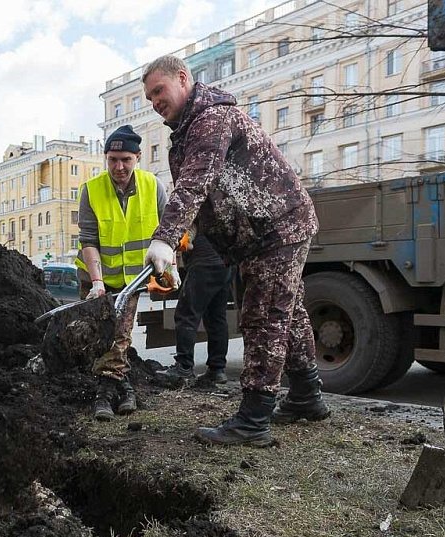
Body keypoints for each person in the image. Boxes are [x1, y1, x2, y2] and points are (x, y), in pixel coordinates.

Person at [141, 55, 330, 446]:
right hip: (264, 232)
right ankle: (306, 397)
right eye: (149, 98)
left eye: (159, 91)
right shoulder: (190, 129)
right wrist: (176, 248)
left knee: (264, 318)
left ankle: (253, 420)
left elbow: (194, 183)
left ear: (182, 78)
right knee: (289, 314)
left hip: (276, 226)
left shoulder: (211, 118)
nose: (155, 101)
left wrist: (162, 236)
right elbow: (205, 199)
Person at [76, 124, 170, 421]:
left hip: (131, 281)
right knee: (100, 336)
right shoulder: (91, 190)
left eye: (125, 160)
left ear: (137, 157)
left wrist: (171, 266)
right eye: (113, 160)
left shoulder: (153, 186)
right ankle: (120, 387)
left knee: (120, 336)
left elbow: (168, 231)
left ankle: (106, 393)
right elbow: (88, 240)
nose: (119, 166)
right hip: (95, 279)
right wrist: (97, 282)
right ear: (106, 158)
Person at [156, 233, 233, 388]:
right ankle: (217, 369)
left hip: (203, 263)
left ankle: (184, 366)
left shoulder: (193, 209)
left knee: (186, 314)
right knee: (216, 316)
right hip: (224, 263)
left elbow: (181, 235)